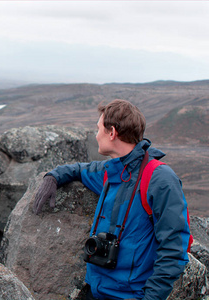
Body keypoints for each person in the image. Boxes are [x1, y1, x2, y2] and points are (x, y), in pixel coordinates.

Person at [33, 99, 191, 300]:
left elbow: (174, 249)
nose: (96, 135)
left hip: (130, 295)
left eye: (98, 128)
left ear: (112, 132)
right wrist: (53, 176)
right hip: (94, 290)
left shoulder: (160, 180)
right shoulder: (113, 171)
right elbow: (81, 169)